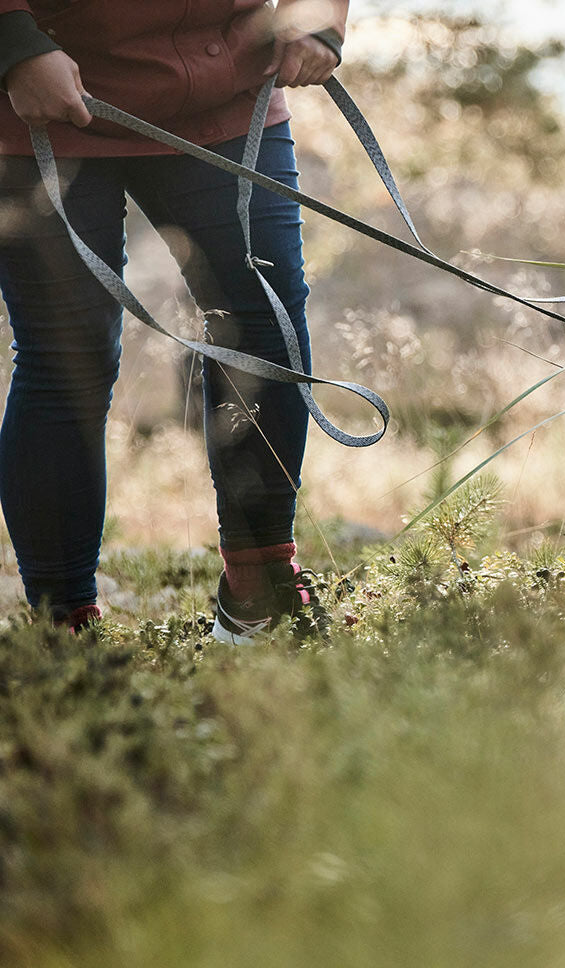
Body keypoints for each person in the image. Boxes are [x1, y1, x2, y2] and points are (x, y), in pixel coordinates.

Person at [0, 0, 347, 641]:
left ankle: (259, 592)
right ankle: (62, 624)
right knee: (66, 355)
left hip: (231, 88)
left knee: (267, 329)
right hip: (39, 97)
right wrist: (12, 39)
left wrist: (319, 13)